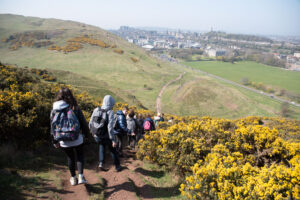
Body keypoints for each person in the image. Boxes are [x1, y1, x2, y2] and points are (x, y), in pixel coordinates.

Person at [50, 87, 89, 186]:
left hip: (63, 139)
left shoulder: (54, 109)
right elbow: (83, 123)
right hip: (77, 137)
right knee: (79, 155)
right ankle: (81, 176)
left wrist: (55, 141)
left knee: (70, 158)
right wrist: (86, 134)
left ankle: (73, 178)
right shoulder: (74, 107)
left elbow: (52, 126)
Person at [89, 95, 121, 172]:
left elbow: (90, 122)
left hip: (98, 135)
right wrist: (113, 139)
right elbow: (110, 127)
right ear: (111, 103)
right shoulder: (110, 112)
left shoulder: (96, 109)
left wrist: (92, 132)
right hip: (107, 136)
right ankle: (117, 166)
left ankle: (101, 163)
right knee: (113, 150)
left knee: (101, 146)